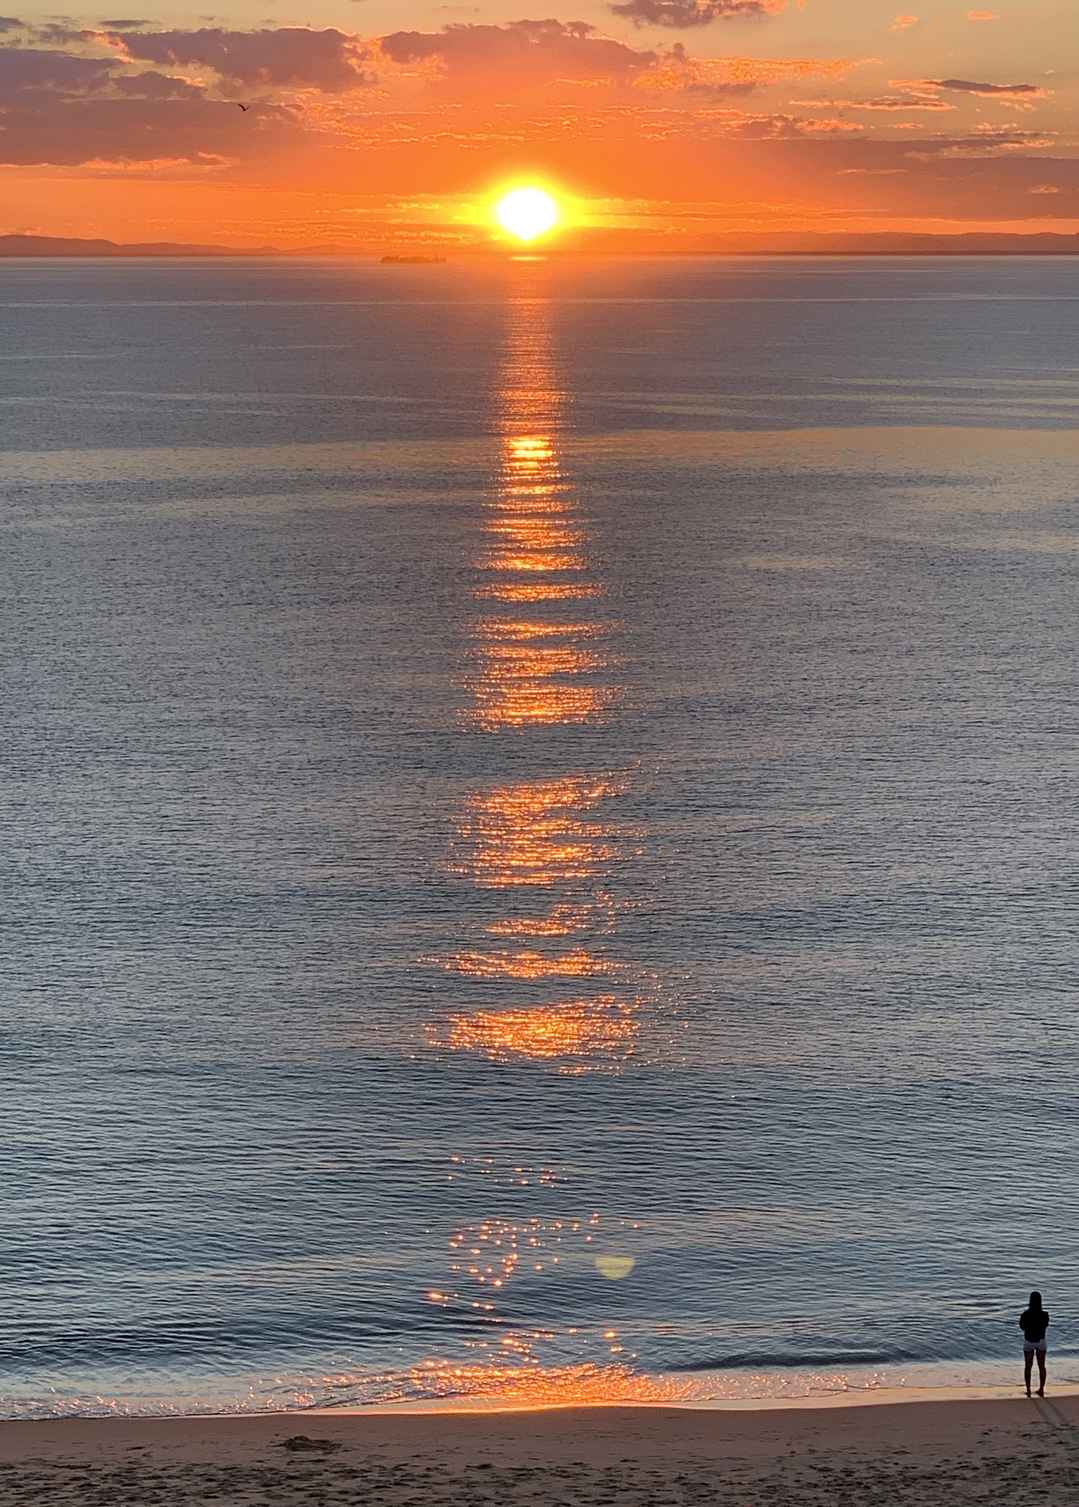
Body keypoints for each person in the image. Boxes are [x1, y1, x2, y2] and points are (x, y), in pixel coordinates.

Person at [1019, 1290, 1049, 1397]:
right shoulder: (1045, 1315)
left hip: (1028, 1341)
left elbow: (1022, 1327)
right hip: (1041, 1341)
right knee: (1042, 1366)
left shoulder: (1025, 1314)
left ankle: (1028, 1389)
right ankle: (1041, 1389)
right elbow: (1045, 1326)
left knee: (1028, 1366)